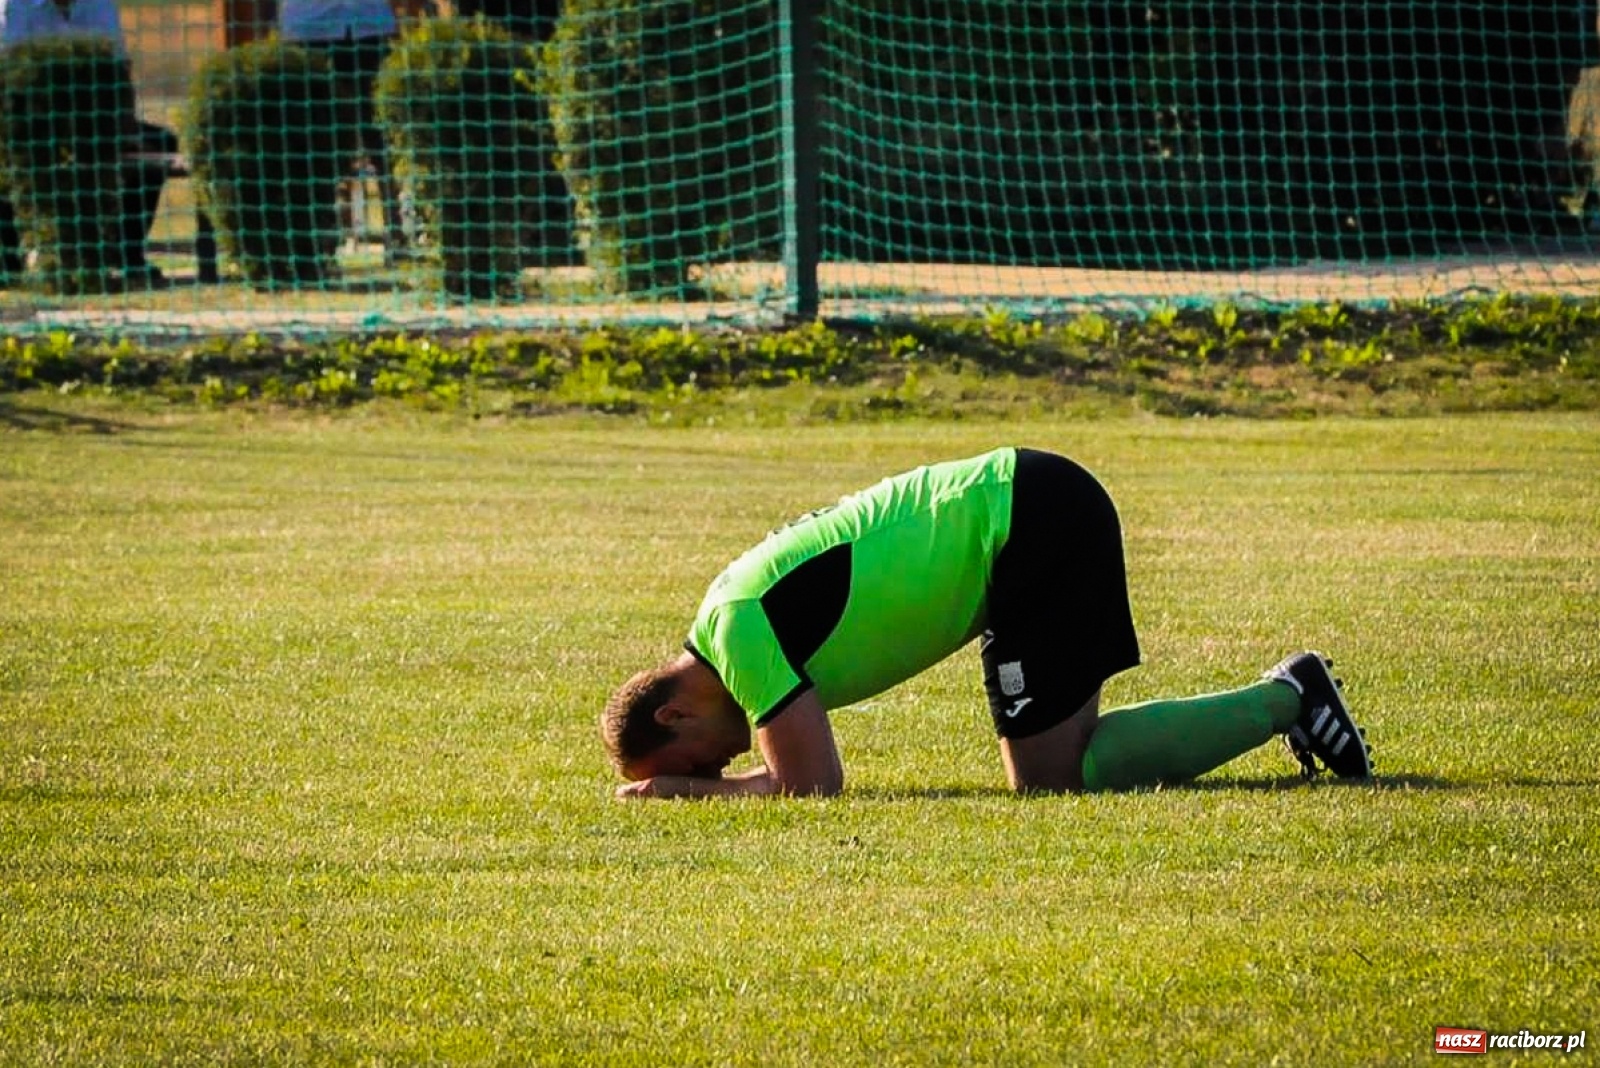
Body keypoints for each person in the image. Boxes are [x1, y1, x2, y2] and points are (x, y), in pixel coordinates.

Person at [601, 446, 1373, 799]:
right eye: (693, 777)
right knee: (1054, 773)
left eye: (688, 763)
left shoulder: (735, 630)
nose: (705, 771)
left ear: (674, 714)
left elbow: (811, 785)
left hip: (1029, 520)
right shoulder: (730, 617)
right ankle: (1290, 697)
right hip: (1026, 516)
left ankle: (1290, 698)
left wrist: (698, 797)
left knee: (1056, 778)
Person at [0, 0, 175, 286]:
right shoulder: (12, 8)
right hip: (25, 121)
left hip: (94, 125)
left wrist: (127, 129)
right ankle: (8, 258)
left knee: (160, 143)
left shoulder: (100, 5)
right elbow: (6, 76)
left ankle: (126, 254)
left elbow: (120, 71)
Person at [277, 0, 406, 260]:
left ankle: (396, 233)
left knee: (380, 135)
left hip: (365, 25)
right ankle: (324, 235)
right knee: (320, 140)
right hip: (311, 27)